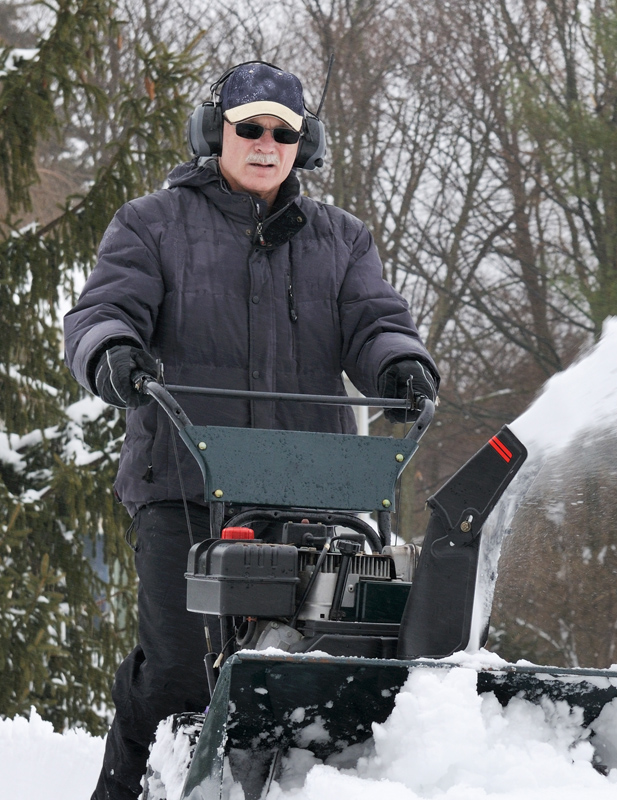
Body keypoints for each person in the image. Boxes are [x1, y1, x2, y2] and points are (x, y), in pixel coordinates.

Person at [63, 61, 438, 800]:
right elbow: (103, 311)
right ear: (216, 132)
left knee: (328, 665)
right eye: (250, 127)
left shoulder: (343, 239)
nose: (266, 144)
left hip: (313, 489)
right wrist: (112, 353)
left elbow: (376, 322)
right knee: (178, 671)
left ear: (306, 144)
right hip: (184, 484)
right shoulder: (151, 224)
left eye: (283, 132)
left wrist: (401, 366)